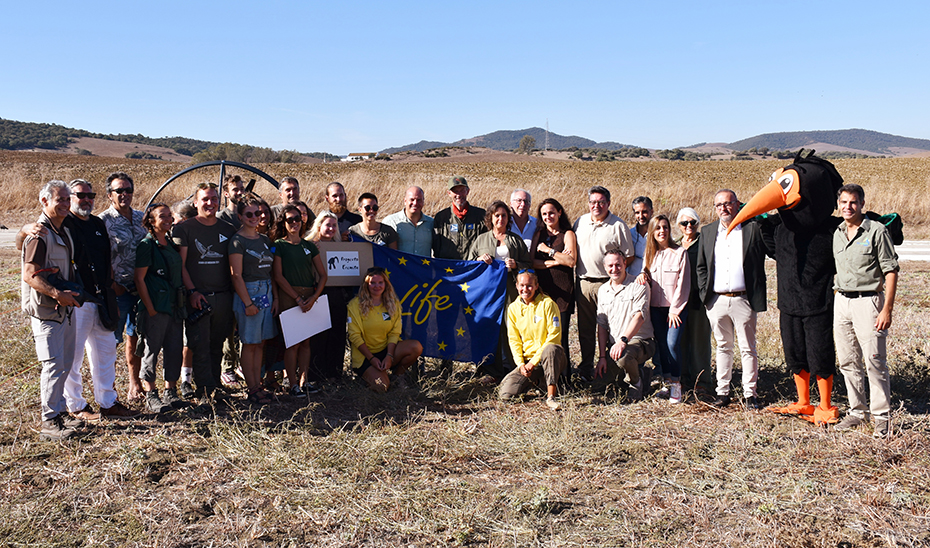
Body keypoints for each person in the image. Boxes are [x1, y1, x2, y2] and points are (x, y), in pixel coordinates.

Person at [16, 179, 137, 421]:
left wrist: (110, 287)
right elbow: (25, 249)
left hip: (101, 297)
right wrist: (23, 229)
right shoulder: (61, 223)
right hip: (75, 299)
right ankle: (76, 405)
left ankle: (108, 402)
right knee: (72, 357)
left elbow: (106, 258)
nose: (86, 200)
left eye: (90, 195)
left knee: (105, 353)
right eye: (80, 195)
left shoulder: (97, 224)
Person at [832, 184, 899, 438]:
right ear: (838, 204)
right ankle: (858, 412)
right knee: (848, 361)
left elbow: (890, 271)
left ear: (862, 204)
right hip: (842, 302)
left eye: (853, 202)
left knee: (874, 361)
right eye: (844, 202)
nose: (848, 207)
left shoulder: (877, 231)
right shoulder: (837, 232)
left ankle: (882, 417)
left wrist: (886, 309)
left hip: (869, 302)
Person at [695, 189, 769, 409]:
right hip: (716, 301)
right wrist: (705, 296)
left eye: (728, 203)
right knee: (723, 346)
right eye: (719, 205)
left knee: (748, 348)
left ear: (738, 204)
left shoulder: (751, 229)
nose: (723, 209)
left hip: (743, 299)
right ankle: (722, 392)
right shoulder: (708, 232)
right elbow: (701, 266)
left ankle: (750, 394)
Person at [22, 180, 83, 440]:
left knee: (66, 363)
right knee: (53, 365)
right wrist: (58, 294)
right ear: (44, 201)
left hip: (64, 310)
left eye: (68, 199)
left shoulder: (62, 231)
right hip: (47, 310)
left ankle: (59, 413)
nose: (66, 204)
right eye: (60, 200)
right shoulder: (41, 234)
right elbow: (29, 274)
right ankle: (49, 422)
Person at [173, 182, 237, 399]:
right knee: (199, 345)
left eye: (214, 198)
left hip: (223, 297)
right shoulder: (184, 228)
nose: (210, 203)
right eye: (205, 199)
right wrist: (192, 292)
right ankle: (204, 390)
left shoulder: (228, 229)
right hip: (198, 297)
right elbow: (180, 265)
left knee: (217, 344)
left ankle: (215, 385)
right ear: (196, 202)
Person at [573, 185, 635, 381]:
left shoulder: (618, 226)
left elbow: (629, 256)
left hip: (608, 284)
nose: (596, 206)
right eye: (593, 202)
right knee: (586, 329)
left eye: (601, 202)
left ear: (608, 203)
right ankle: (586, 369)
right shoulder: (580, 222)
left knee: (610, 328)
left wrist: (614, 278)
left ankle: (610, 371)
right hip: (583, 282)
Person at [468, 200, 532, 380]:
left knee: (511, 328)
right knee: (490, 327)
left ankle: (514, 369)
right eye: (497, 215)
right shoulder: (481, 239)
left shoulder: (515, 240)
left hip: (511, 291)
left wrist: (516, 265)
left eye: (504, 215)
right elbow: (468, 263)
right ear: (490, 218)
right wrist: (479, 260)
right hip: (487, 293)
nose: (500, 219)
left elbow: (528, 265)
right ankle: (489, 370)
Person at [99, 172, 148, 402]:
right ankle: (107, 392)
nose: (125, 195)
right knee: (110, 340)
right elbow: (99, 257)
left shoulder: (141, 218)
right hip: (117, 290)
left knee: (135, 336)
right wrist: (112, 284)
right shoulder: (103, 222)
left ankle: (134, 382)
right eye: (119, 191)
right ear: (110, 195)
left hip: (140, 289)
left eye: (128, 190)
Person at [135, 203, 187, 413]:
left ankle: (171, 392)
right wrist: (150, 308)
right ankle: (150, 394)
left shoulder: (171, 244)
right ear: (151, 221)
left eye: (169, 216)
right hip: (157, 306)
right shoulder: (147, 245)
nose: (167, 219)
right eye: (162, 216)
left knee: (174, 348)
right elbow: (139, 279)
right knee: (152, 350)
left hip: (174, 305)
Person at [272, 204, 327, 395]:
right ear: (283, 223)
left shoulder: (309, 246)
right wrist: (296, 298)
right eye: (290, 220)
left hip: (309, 296)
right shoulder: (279, 245)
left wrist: (314, 298)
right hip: (289, 297)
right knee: (293, 343)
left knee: (306, 343)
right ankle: (292, 384)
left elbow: (323, 275)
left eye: (297, 219)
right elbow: (278, 276)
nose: (294, 222)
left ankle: (304, 382)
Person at [229, 195, 278, 405]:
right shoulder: (237, 241)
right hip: (249, 292)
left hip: (266, 291)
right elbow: (236, 275)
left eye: (257, 213)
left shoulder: (264, 240)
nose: (254, 217)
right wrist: (247, 303)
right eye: (249, 214)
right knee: (249, 343)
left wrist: (274, 296)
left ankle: (257, 384)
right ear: (240, 216)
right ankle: (251, 388)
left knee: (260, 343)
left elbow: (271, 272)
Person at [636, 215, 690, 404]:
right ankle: (667, 382)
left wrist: (675, 310)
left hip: (675, 310)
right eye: (657, 228)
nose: (662, 231)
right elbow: (646, 271)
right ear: (652, 232)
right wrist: (643, 274)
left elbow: (683, 285)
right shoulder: (650, 254)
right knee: (662, 346)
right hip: (655, 309)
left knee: (672, 344)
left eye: (665, 227)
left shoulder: (680, 253)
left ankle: (676, 384)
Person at [498, 270, 567, 411]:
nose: (525, 289)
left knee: (551, 349)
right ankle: (536, 382)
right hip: (528, 362)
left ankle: (551, 396)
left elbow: (554, 336)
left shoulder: (548, 304)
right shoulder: (513, 309)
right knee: (506, 394)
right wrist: (521, 364)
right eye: (522, 285)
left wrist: (533, 362)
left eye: (529, 285)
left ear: (536, 286)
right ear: (516, 286)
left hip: (551, 357)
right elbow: (514, 339)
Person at [347, 267, 423, 392]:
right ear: (366, 285)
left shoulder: (393, 304)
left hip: (387, 350)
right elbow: (354, 336)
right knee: (381, 387)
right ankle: (368, 375)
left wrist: (389, 356)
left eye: (380, 282)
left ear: (386, 284)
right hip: (365, 356)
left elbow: (395, 332)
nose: (377, 286)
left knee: (416, 347)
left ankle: (397, 376)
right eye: (372, 283)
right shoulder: (355, 305)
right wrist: (372, 359)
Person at [595, 249, 656, 402]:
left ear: (625, 264)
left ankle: (636, 383)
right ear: (604, 267)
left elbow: (639, 317)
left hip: (640, 342)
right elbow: (602, 325)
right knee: (600, 385)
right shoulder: (603, 290)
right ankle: (642, 374)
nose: (614, 269)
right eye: (610, 266)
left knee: (623, 357)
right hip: (615, 346)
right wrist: (602, 356)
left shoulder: (638, 285)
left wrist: (623, 341)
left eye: (618, 265)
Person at [529, 198, 575, 364]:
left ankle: (564, 378)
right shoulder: (538, 235)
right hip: (542, 291)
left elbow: (571, 261)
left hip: (563, 292)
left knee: (560, 337)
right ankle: (545, 377)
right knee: (542, 335)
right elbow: (532, 262)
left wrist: (548, 251)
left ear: (559, 212)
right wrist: (557, 259)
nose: (548, 216)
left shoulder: (567, 234)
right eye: (544, 214)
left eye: (551, 213)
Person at [307, 212, 351, 382]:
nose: (331, 228)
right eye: (328, 225)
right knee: (318, 337)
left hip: (338, 296)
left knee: (337, 335)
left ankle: (334, 374)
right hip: (316, 296)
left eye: (334, 225)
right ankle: (315, 374)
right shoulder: (309, 245)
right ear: (319, 226)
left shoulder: (341, 246)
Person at [675, 207, 714, 396]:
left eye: (692, 222)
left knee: (700, 341)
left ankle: (702, 382)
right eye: (684, 223)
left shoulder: (705, 243)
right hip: (679, 301)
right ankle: (682, 379)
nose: (688, 226)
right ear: (678, 226)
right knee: (680, 340)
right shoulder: (674, 245)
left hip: (699, 298)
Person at [433, 176, 487, 260]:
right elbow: (436, 247)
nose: (459, 195)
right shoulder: (441, 217)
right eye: (455, 191)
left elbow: (487, 243)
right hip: (449, 269)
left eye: (462, 190)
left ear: (468, 191)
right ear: (449, 193)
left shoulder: (481, 215)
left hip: (473, 267)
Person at [383, 186, 434, 256]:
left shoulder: (431, 223)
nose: (415, 203)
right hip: (399, 266)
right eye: (412, 199)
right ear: (405, 201)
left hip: (423, 266)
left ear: (423, 201)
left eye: (419, 200)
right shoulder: (390, 222)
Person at [628, 196, 654, 277]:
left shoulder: (659, 234)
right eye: (637, 213)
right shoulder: (629, 234)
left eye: (644, 212)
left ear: (651, 211)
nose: (641, 216)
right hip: (633, 281)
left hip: (654, 281)